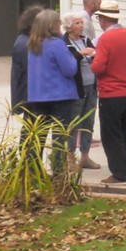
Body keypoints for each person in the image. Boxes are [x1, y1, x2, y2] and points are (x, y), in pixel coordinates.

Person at [90, 0, 126, 185]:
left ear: (103, 19)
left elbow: (98, 67)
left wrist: (91, 59)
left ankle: (119, 174)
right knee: (125, 134)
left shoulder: (105, 39)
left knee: (111, 135)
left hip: (110, 93)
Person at [26, 10, 80, 172]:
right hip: (60, 96)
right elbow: (70, 70)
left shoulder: (33, 45)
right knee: (59, 137)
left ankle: (34, 173)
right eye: (58, 22)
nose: (60, 25)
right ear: (52, 25)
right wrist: (73, 58)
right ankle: (58, 173)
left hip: (38, 96)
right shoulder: (56, 44)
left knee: (39, 138)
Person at [61, 11, 100, 169]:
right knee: (73, 123)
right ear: (69, 27)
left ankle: (85, 156)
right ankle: (70, 158)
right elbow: (66, 62)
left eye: (82, 23)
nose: (81, 26)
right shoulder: (64, 43)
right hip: (76, 88)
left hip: (92, 86)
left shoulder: (86, 40)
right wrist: (80, 54)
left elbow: (97, 56)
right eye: (77, 23)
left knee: (88, 121)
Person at [11, 5, 45, 118]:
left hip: (32, 95)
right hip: (31, 96)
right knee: (32, 129)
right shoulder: (26, 44)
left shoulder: (26, 40)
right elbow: (35, 70)